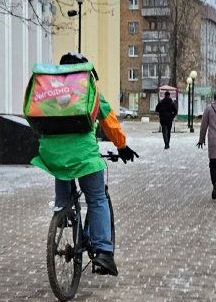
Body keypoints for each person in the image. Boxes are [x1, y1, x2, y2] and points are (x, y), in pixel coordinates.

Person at [31, 52, 138, 277]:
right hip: (84, 155)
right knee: (97, 198)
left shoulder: (49, 91)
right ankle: (103, 253)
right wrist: (122, 146)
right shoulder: (88, 90)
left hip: (52, 153)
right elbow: (108, 121)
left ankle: (62, 209)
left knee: (62, 169)